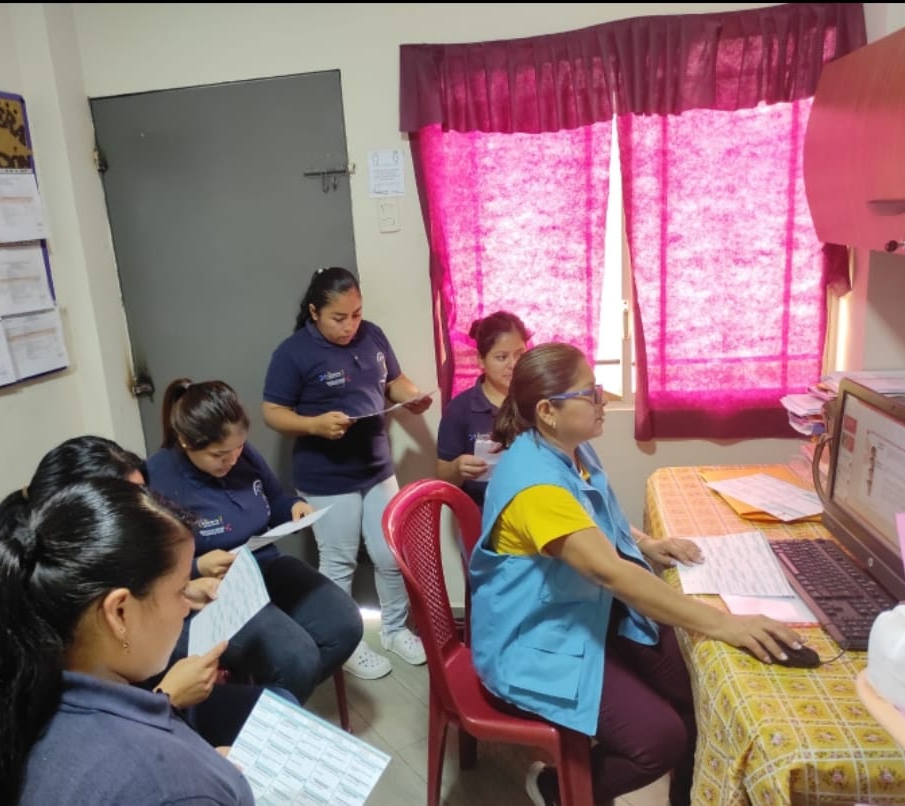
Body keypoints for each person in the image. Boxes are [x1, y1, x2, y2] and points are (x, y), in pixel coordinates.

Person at [468, 343, 807, 806]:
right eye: (590, 393)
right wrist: (726, 623)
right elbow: (610, 573)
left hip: (588, 611)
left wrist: (644, 542)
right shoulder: (536, 489)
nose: (603, 401)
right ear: (547, 411)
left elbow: (590, 517)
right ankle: (553, 788)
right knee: (660, 741)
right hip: (537, 641)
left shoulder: (571, 450)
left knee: (697, 689)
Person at [0, 478, 254, 806]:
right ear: (119, 613)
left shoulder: (11, 706)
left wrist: (205, 771)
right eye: (180, 590)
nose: (186, 606)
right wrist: (203, 785)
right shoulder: (167, 786)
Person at [0, 434, 287, 747]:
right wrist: (167, 699)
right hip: (141, 724)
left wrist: (185, 588)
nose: (149, 512)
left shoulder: (100, 588)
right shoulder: (45, 629)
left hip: (149, 711)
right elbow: (99, 743)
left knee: (279, 705)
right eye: (132, 504)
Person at [261, 266, 432, 679]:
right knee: (339, 562)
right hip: (326, 477)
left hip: (376, 467)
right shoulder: (292, 353)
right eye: (339, 317)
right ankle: (345, 644)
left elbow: (394, 380)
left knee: (391, 554)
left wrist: (411, 397)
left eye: (356, 314)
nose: (350, 326)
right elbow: (272, 412)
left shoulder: (372, 336)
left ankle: (394, 629)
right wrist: (313, 425)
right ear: (314, 311)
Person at [147, 378, 364, 703]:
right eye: (219, 455)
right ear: (185, 441)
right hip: (212, 591)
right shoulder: (159, 477)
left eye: (238, 448)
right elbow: (151, 566)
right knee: (296, 658)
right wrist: (197, 565)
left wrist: (294, 508)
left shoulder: (242, 454)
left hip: (262, 565)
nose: (233, 460)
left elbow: (275, 498)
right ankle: (261, 711)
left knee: (345, 625)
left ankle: (273, 702)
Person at [436, 310, 531, 510]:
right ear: (481, 359)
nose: (513, 365)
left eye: (520, 354)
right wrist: (457, 468)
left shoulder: (537, 402)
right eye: (501, 357)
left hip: (532, 507)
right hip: (481, 514)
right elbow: (443, 476)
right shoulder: (459, 409)